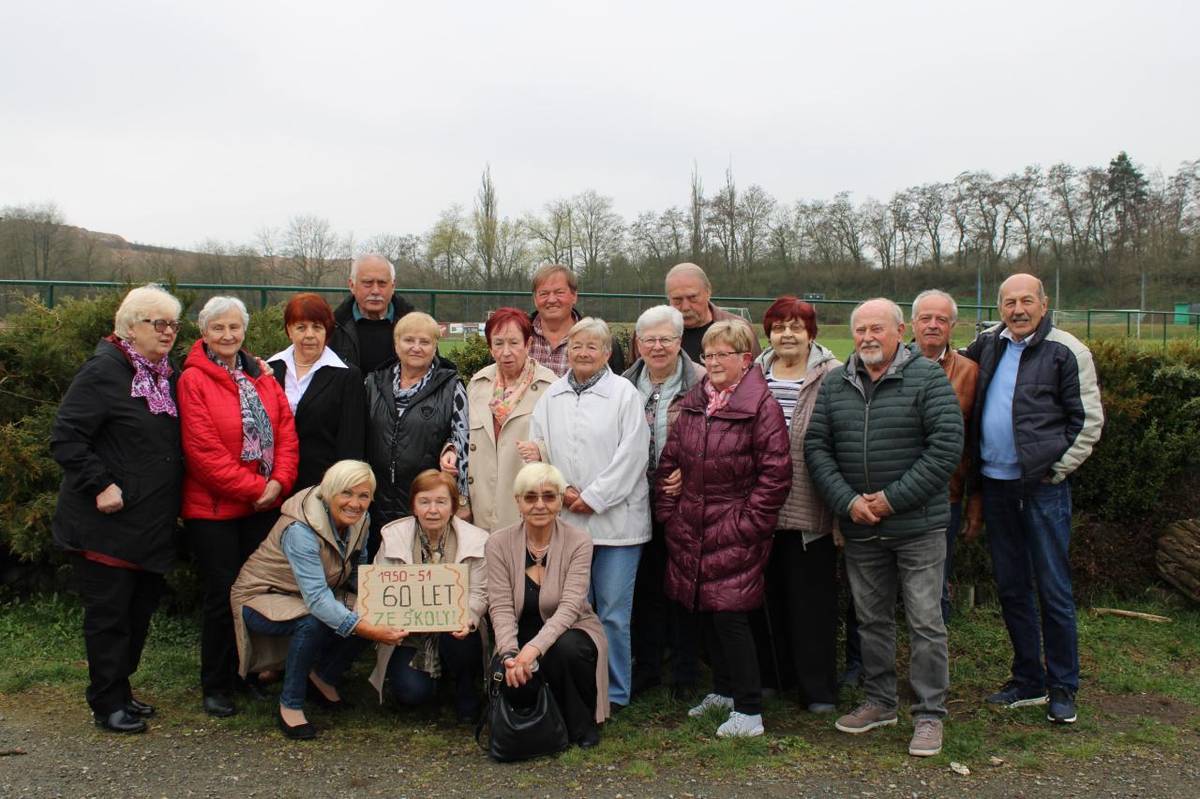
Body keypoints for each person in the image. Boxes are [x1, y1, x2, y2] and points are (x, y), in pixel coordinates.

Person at [804, 298, 962, 758]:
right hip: (861, 526)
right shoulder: (836, 384)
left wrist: (892, 499)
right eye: (859, 330)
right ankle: (880, 701)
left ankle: (930, 713)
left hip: (918, 525)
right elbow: (818, 449)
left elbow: (946, 446)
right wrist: (848, 501)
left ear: (899, 330)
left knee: (925, 620)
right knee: (870, 618)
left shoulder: (927, 378)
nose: (868, 337)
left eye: (877, 328)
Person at [964, 273, 1103, 725]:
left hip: (1041, 489)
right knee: (1012, 587)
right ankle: (1028, 679)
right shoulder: (987, 344)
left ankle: (1064, 686)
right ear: (999, 307)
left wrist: (1053, 471)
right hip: (997, 487)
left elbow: (1086, 422)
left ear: (1044, 305)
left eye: (1026, 301)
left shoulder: (1067, 351)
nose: (1017, 309)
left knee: (1054, 590)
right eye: (1009, 302)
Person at [50, 284, 185, 733]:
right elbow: (66, 437)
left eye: (173, 324)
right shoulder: (104, 370)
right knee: (110, 617)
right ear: (130, 327)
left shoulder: (161, 373)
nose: (168, 332)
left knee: (136, 612)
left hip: (147, 524)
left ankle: (121, 690)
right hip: (106, 523)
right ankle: (106, 702)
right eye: (158, 323)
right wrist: (101, 483)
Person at [655, 320, 792, 738]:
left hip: (734, 530)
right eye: (708, 355)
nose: (713, 362)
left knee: (731, 618)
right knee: (705, 613)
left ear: (745, 360)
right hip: (691, 527)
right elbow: (671, 460)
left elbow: (775, 475)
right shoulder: (697, 402)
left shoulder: (760, 407)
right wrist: (668, 510)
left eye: (723, 355)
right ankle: (724, 691)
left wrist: (746, 524)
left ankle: (749, 711)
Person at [179, 295, 300, 718]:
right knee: (222, 596)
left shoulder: (261, 374)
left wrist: (280, 481)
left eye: (234, 328)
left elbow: (285, 429)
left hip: (261, 505)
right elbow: (203, 452)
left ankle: (245, 674)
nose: (228, 335)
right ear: (204, 332)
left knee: (253, 594)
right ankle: (216, 683)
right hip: (214, 511)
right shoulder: (193, 380)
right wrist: (256, 488)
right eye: (218, 328)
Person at [230, 460, 407, 739]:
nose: (355, 503)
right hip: (264, 595)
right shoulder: (300, 529)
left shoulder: (361, 519)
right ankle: (290, 704)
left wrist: (383, 601)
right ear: (329, 491)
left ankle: (323, 677)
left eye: (363, 496)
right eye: (346, 493)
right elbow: (317, 601)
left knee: (371, 609)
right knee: (314, 621)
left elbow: (359, 573)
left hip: (312, 593)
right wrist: (368, 629)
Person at [530, 317, 650, 711]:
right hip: (568, 521)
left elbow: (632, 455)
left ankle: (614, 692)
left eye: (592, 346)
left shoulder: (624, 394)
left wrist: (594, 497)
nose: (583, 352)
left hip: (617, 526)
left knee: (614, 612)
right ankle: (580, 686)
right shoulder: (552, 396)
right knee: (573, 608)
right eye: (576, 345)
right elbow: (539, 447)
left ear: (606, 352)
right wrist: (562, 491)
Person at [752, 296, 842, 713]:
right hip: (759, 511)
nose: (787, 334)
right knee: (764, 599)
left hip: (811, 509)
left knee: (811, 603)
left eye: (796, 326)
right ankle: (773, 678)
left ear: (810, 333)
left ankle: (818, 689)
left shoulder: (834, 376)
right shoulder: (754, 374)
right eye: (778, 327)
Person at [486, 462, 610, 748]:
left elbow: (570, 607)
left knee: (568, 649)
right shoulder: (497, 543)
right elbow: (501, 607)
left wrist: (533, 650)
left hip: (571, 629)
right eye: (530, 497)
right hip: (519, 636)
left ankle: (581, 724)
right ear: (518, 502)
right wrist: (510, 654)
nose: (539, 505)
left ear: (559, 503)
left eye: (549, 496)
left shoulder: (579, 541)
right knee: (515, 686)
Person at [621, 305, 704, 698]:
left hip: (685, 504)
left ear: (679, 341)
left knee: (684, 586)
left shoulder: (701, 383)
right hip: (635, 503)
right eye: (649, 339)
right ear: (638, 344)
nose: (657, 347)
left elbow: (718, 440)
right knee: (646, 587)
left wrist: (690, 472)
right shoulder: (622, 385)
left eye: (666, 339)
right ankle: (648, 666)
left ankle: (686, 671)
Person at [367, 470, 488, 721]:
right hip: (411, 636)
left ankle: (464, 686)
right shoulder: (393, 537)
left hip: (458, 632)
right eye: (424, 502)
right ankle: (432, 680)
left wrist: (470, 616)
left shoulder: (476, 540)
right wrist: (392, 620)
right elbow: (380, 587)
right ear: (413, 505)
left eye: (441, 502)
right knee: (411, 694)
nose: (433, 510)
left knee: (461, 642)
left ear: (453, 506)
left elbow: (480, 591)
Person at [364, 312, 469, 557]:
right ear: (396, 343)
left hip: (425, 500)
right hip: (376, 498)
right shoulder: (372, 383)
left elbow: (462, 437)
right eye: (409, 340)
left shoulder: (451, 385)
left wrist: (460, 494)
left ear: (435, 346)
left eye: (425, 342)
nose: (416, 348)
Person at [910, 289, 980, 623]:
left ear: (953, 326)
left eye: (942, 319)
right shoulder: (886, 364)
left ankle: (935, 662)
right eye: (926, 318)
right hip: (887, 492)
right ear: (912, 324)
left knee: (936, 582)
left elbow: (976, 443)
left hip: (944, 497)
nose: (933, 325)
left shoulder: (970, 373)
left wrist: (974, 502)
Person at [464, 307, 558, 531]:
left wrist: (542, 452)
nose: (506, 352)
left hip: (526, 508)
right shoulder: (477, 385)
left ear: (528, 345)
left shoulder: (551, 387)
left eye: (514, 343)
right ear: (490, 348)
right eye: (498, 343)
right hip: (480, 509)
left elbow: (567, 446)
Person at [268, 293, 366, 492]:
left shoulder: (347, 376)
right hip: (270, 484)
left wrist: (340, 488)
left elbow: (351, 441)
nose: (309, 335)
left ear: (327, 331)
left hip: (321, 487)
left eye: (317, 327)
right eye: (301, 327)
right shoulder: (269, 369)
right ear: (289, 330)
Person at [630, 262, 762, 362]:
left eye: (692, 297)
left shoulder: (740, 329)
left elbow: (756, 378)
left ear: (708, 292)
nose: (685, 307)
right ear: (668, 298)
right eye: (677, 300)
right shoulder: (647, 332)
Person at [527, 263, 626, 376]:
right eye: (544, 294)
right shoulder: (520, 336)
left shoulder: (602, 340)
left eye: (559, 292)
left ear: (574, 296)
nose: (551, 300)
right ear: (535, 299)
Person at [328, 253, 416, 374]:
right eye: (368, 283)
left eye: (382, 283)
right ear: (352, 285)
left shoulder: (415, 326)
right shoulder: (333, 328)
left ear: (393, 286)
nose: (375, 291)